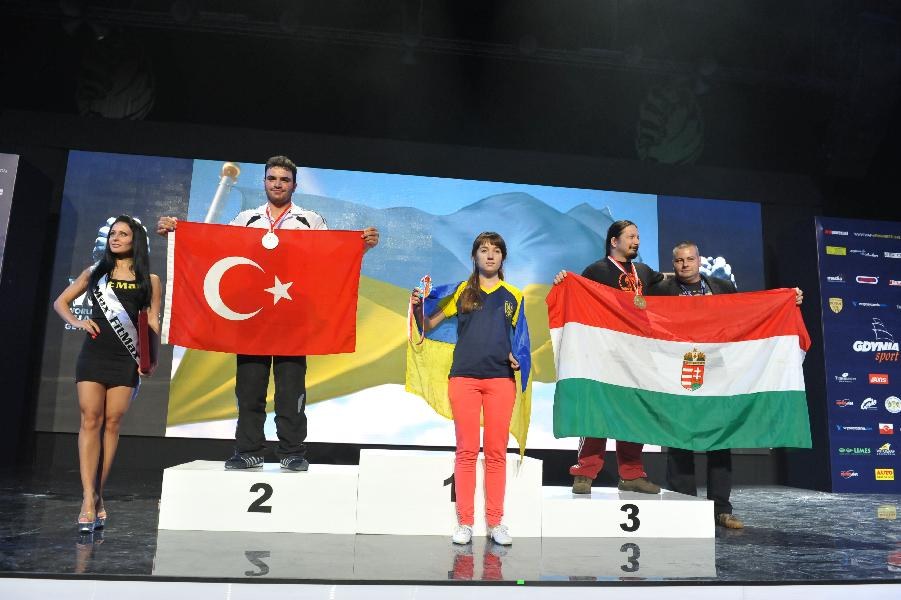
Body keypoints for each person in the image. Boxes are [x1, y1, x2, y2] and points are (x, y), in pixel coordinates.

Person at [157, 156, 379, 472]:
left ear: (294, 185)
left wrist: (360, 247)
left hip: (293, 318)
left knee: (291, 391)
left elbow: (329, 260)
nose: (277, 184)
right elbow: (214, 247)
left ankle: (292, 451)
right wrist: (178, 235)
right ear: (264, 182)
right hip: (252, 318)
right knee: (249, 390)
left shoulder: (310, 220)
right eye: (272, 178)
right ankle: (249, 450)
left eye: (284, 179)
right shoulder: (245, 219)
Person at [647, 241, 803, 529]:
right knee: (679, 440)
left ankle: (721, 509)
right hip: (679, 371)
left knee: (720, 442)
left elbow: (748, 313)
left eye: (690, 259)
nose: (685, 265)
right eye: (679, 260)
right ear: (673, 263)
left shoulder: (722, 287)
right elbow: (634, 310)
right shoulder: (660, 290)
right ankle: (685, 509)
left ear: (699, 260)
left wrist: (788, 300)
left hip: (717, 373)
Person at [411, 232, 525, 546]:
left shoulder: (514, 296)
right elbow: (429, 325)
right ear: (474, 256)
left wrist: (518, 358)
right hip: (464, 379)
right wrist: (418, 307)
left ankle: (496, 522)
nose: (490, 255)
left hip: (500, 381)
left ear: (503, 258)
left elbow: (522, 341)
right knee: (466, 451)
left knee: (496, 453)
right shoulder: (462, 291)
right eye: (484, 250)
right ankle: (465, 523)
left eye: (496, 251)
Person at [53, 215, 161, 533]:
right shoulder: (95, 273)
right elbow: (61, 302)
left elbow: (152, 321)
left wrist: (150, 359)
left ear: (135, 240)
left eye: (123, 234)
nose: (115, 238)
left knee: (112, 424)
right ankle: (88, 499)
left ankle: (98, 494)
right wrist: (77, 322)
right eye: (113, 233)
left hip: (126, 358)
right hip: (94, 354)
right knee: (90, 419)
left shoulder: (150, 279)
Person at [553, 220, 663, 495]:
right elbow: (576, 297)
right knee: (596, 411)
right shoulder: (596, 271)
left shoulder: (644, 272)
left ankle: (632, 474)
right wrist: (563, 281)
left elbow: (667, 282)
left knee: (634, 414)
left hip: (637, 355)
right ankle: (585, 472)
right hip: (603, 354)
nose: (637, 241)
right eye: (631, 236)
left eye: (638, 236)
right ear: (614, 241)